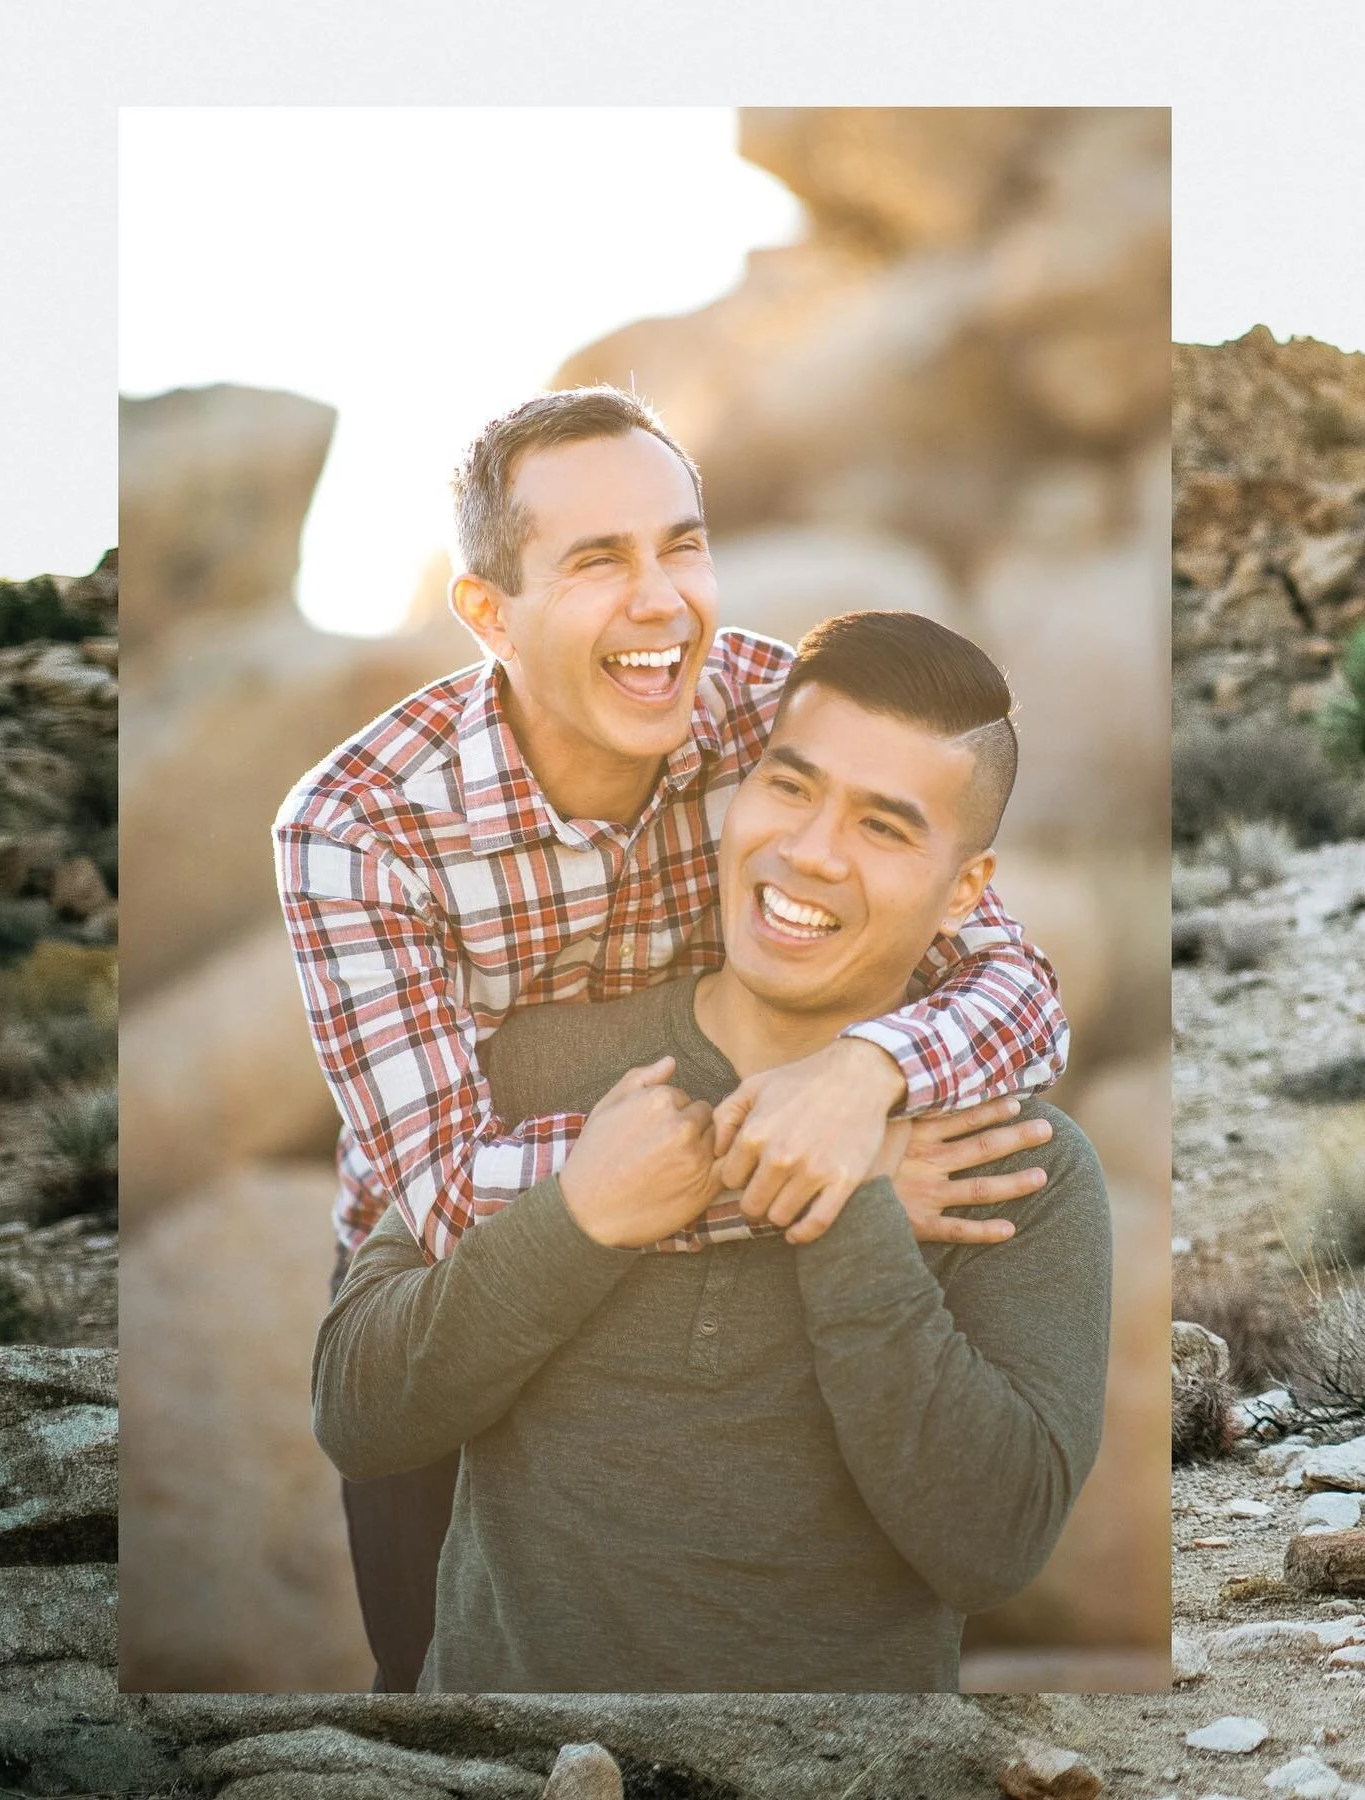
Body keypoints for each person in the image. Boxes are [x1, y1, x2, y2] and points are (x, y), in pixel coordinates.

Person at [274, 387, 1069, 1688]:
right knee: (442, 1698)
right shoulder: (357, 830)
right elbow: (450, 1191)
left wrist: (873, 1068)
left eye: (681, 544)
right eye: (598, 560)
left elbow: (1018, 983)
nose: (664, 604)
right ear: (490, 613)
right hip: (457, 1289)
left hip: (750, 1297)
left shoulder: (772, 711)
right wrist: (825, 1177)